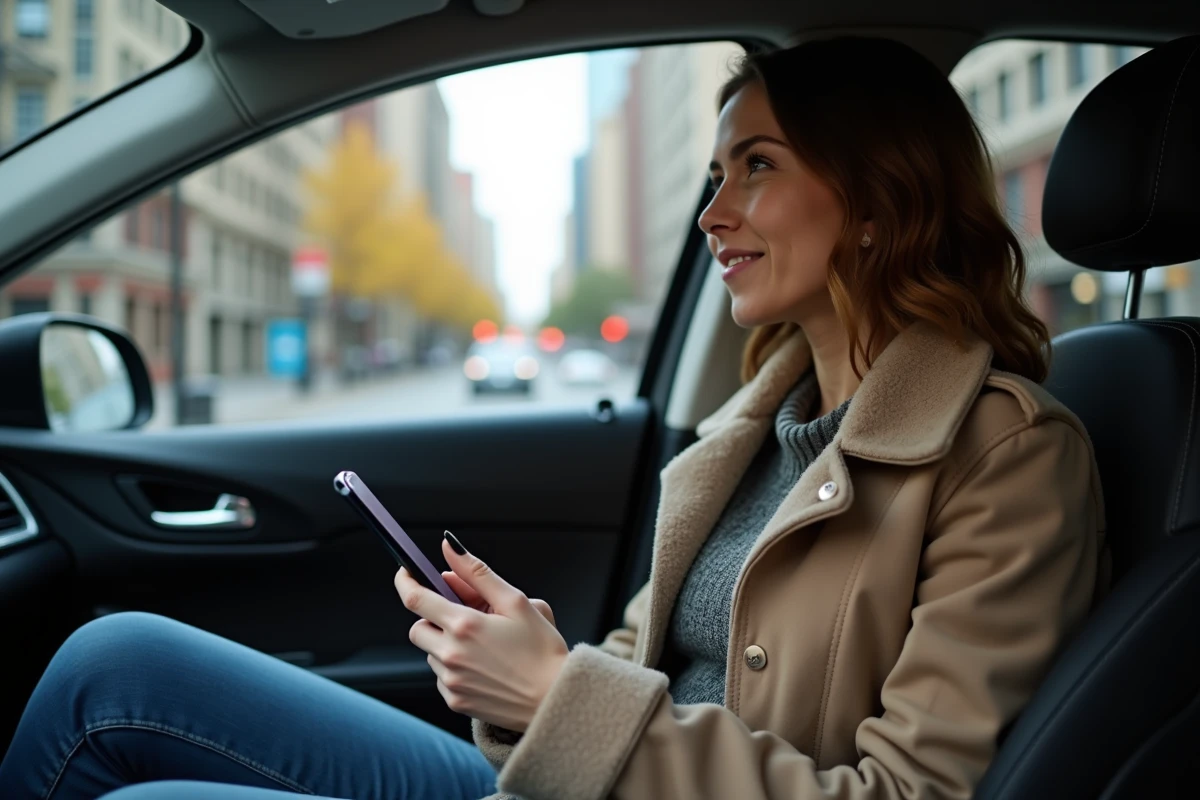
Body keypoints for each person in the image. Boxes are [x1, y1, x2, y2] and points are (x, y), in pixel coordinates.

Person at [0, 36, 1108, 800]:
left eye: (755, 167)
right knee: (118, 663)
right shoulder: (755, 429)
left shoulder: (1008, 458)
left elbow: (908, 792)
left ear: (877, 200)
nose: (713, 214)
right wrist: (520, 662)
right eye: (714, 172)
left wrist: (555, 689)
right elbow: (635, 670)